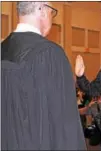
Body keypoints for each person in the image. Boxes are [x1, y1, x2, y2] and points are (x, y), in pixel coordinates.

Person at [1, 2, 86, 150]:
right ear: (42, 10)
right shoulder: (51, 54)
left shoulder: (2, 49)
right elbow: (65, 125)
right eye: (52, 12)